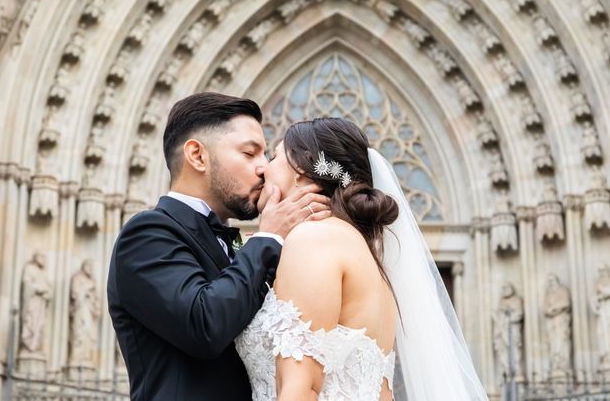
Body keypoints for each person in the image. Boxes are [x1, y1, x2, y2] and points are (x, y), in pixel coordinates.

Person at [235, 117, 488, 400]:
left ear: (299, 170)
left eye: (274, 156)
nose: (263, 169)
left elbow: (301, 388)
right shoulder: (363, 251)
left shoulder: (312, 240)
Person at [107, 92, 331, 400]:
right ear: (197, 156)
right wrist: (268, 239)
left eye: (265, 155)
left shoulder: (238, 243)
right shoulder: (146, 234)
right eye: (249, 153)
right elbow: (204, 325)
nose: (264, 168)